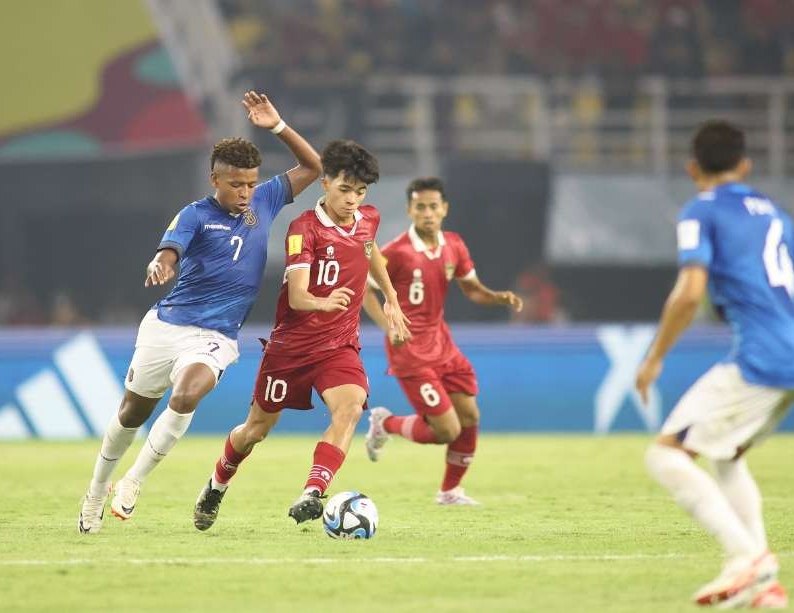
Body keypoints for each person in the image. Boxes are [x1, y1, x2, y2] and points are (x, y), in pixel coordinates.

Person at [78, 91, 322, 534]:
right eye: (236, 184)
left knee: (188, 394)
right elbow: (170, 251)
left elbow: (313, 168)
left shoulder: (266, 200)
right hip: (167, 325)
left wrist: (278, 127)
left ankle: (133, 482)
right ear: (215, 179)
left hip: (216, 336)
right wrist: (161, 262)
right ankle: (96, 490)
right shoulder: (194, 214)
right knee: (132, 412)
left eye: (250, 182)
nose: (245, 191)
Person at [635, 120, 794, 608]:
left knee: (665, 456)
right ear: (745, 165)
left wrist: (655, 356)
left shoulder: (698, 211)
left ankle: (745, 559)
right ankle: (764, 585)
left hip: (760, 359)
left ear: (692, 168)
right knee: (727, 457)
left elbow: (689, 294)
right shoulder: (776, 215)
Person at [191, 139, 411, 530]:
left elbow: (368, 247)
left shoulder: (368, 218)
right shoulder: (303, 229)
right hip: (290, 350)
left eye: (360, 192)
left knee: (351, 408)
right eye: (345, 190)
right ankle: (216, 484)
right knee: (254, 431)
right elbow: (297, 294)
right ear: (325, 183)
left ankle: (313, 491)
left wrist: (390, 296)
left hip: (338, 348)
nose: (353, 200)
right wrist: (322, 303)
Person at [361, 177, 523, 505]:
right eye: (420, 207)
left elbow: (473, 290)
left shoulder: (454, 245)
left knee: (470, 418)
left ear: (444, 209)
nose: (428, 213)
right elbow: (365, 290)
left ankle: (450, 492)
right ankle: (385, 423)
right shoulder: (397, 252)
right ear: (409, 210)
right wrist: (388, 325)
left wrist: (497, 297)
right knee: (446, 430)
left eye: (434, 206)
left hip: (443, 345)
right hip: (410, 352)